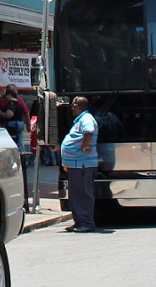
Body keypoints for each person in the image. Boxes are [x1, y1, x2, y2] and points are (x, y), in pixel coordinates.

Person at [61, 96, 100, 232]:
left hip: (82, 164)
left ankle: (87, 223)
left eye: (73, 105)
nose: (71, 108)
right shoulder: (80, 119)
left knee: (83, 194)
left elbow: (89, 131)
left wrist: (84, 145)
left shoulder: (86, 119)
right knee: (76, 194)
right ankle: (79, 222)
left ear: (78, 106)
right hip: (76, 164)